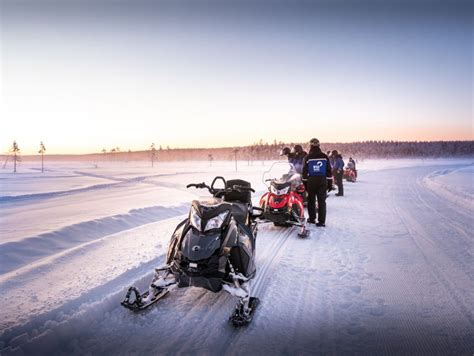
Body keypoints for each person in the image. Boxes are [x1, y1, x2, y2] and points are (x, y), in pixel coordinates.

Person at [302, 138, 333, 227]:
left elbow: (304, 172)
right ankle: (321, 221)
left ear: (310, 146)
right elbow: (329, 170)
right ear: (319, 145)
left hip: (311, 181)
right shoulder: (325, 156)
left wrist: (305, 184)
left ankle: (312, 219)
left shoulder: (307, 157)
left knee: (311, 201)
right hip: (322, 180)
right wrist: (330, 183)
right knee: (321, 201)